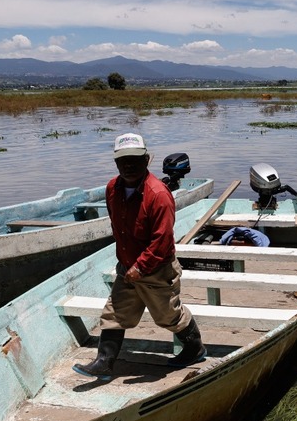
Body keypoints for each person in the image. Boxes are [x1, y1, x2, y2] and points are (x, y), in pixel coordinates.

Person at [73, 132, 206, 376]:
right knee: (115, 313)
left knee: (168, 315)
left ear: (146, 160)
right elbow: (117, 225)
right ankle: (104, 362)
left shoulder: (158, 195)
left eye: (135, 160)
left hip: (156, 268)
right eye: (124, 161)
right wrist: (127, 264)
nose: (129, 166)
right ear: (116, 163)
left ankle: (195, 348)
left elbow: (163, 240)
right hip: (127, 265)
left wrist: (141, 267)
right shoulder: (113, 187)